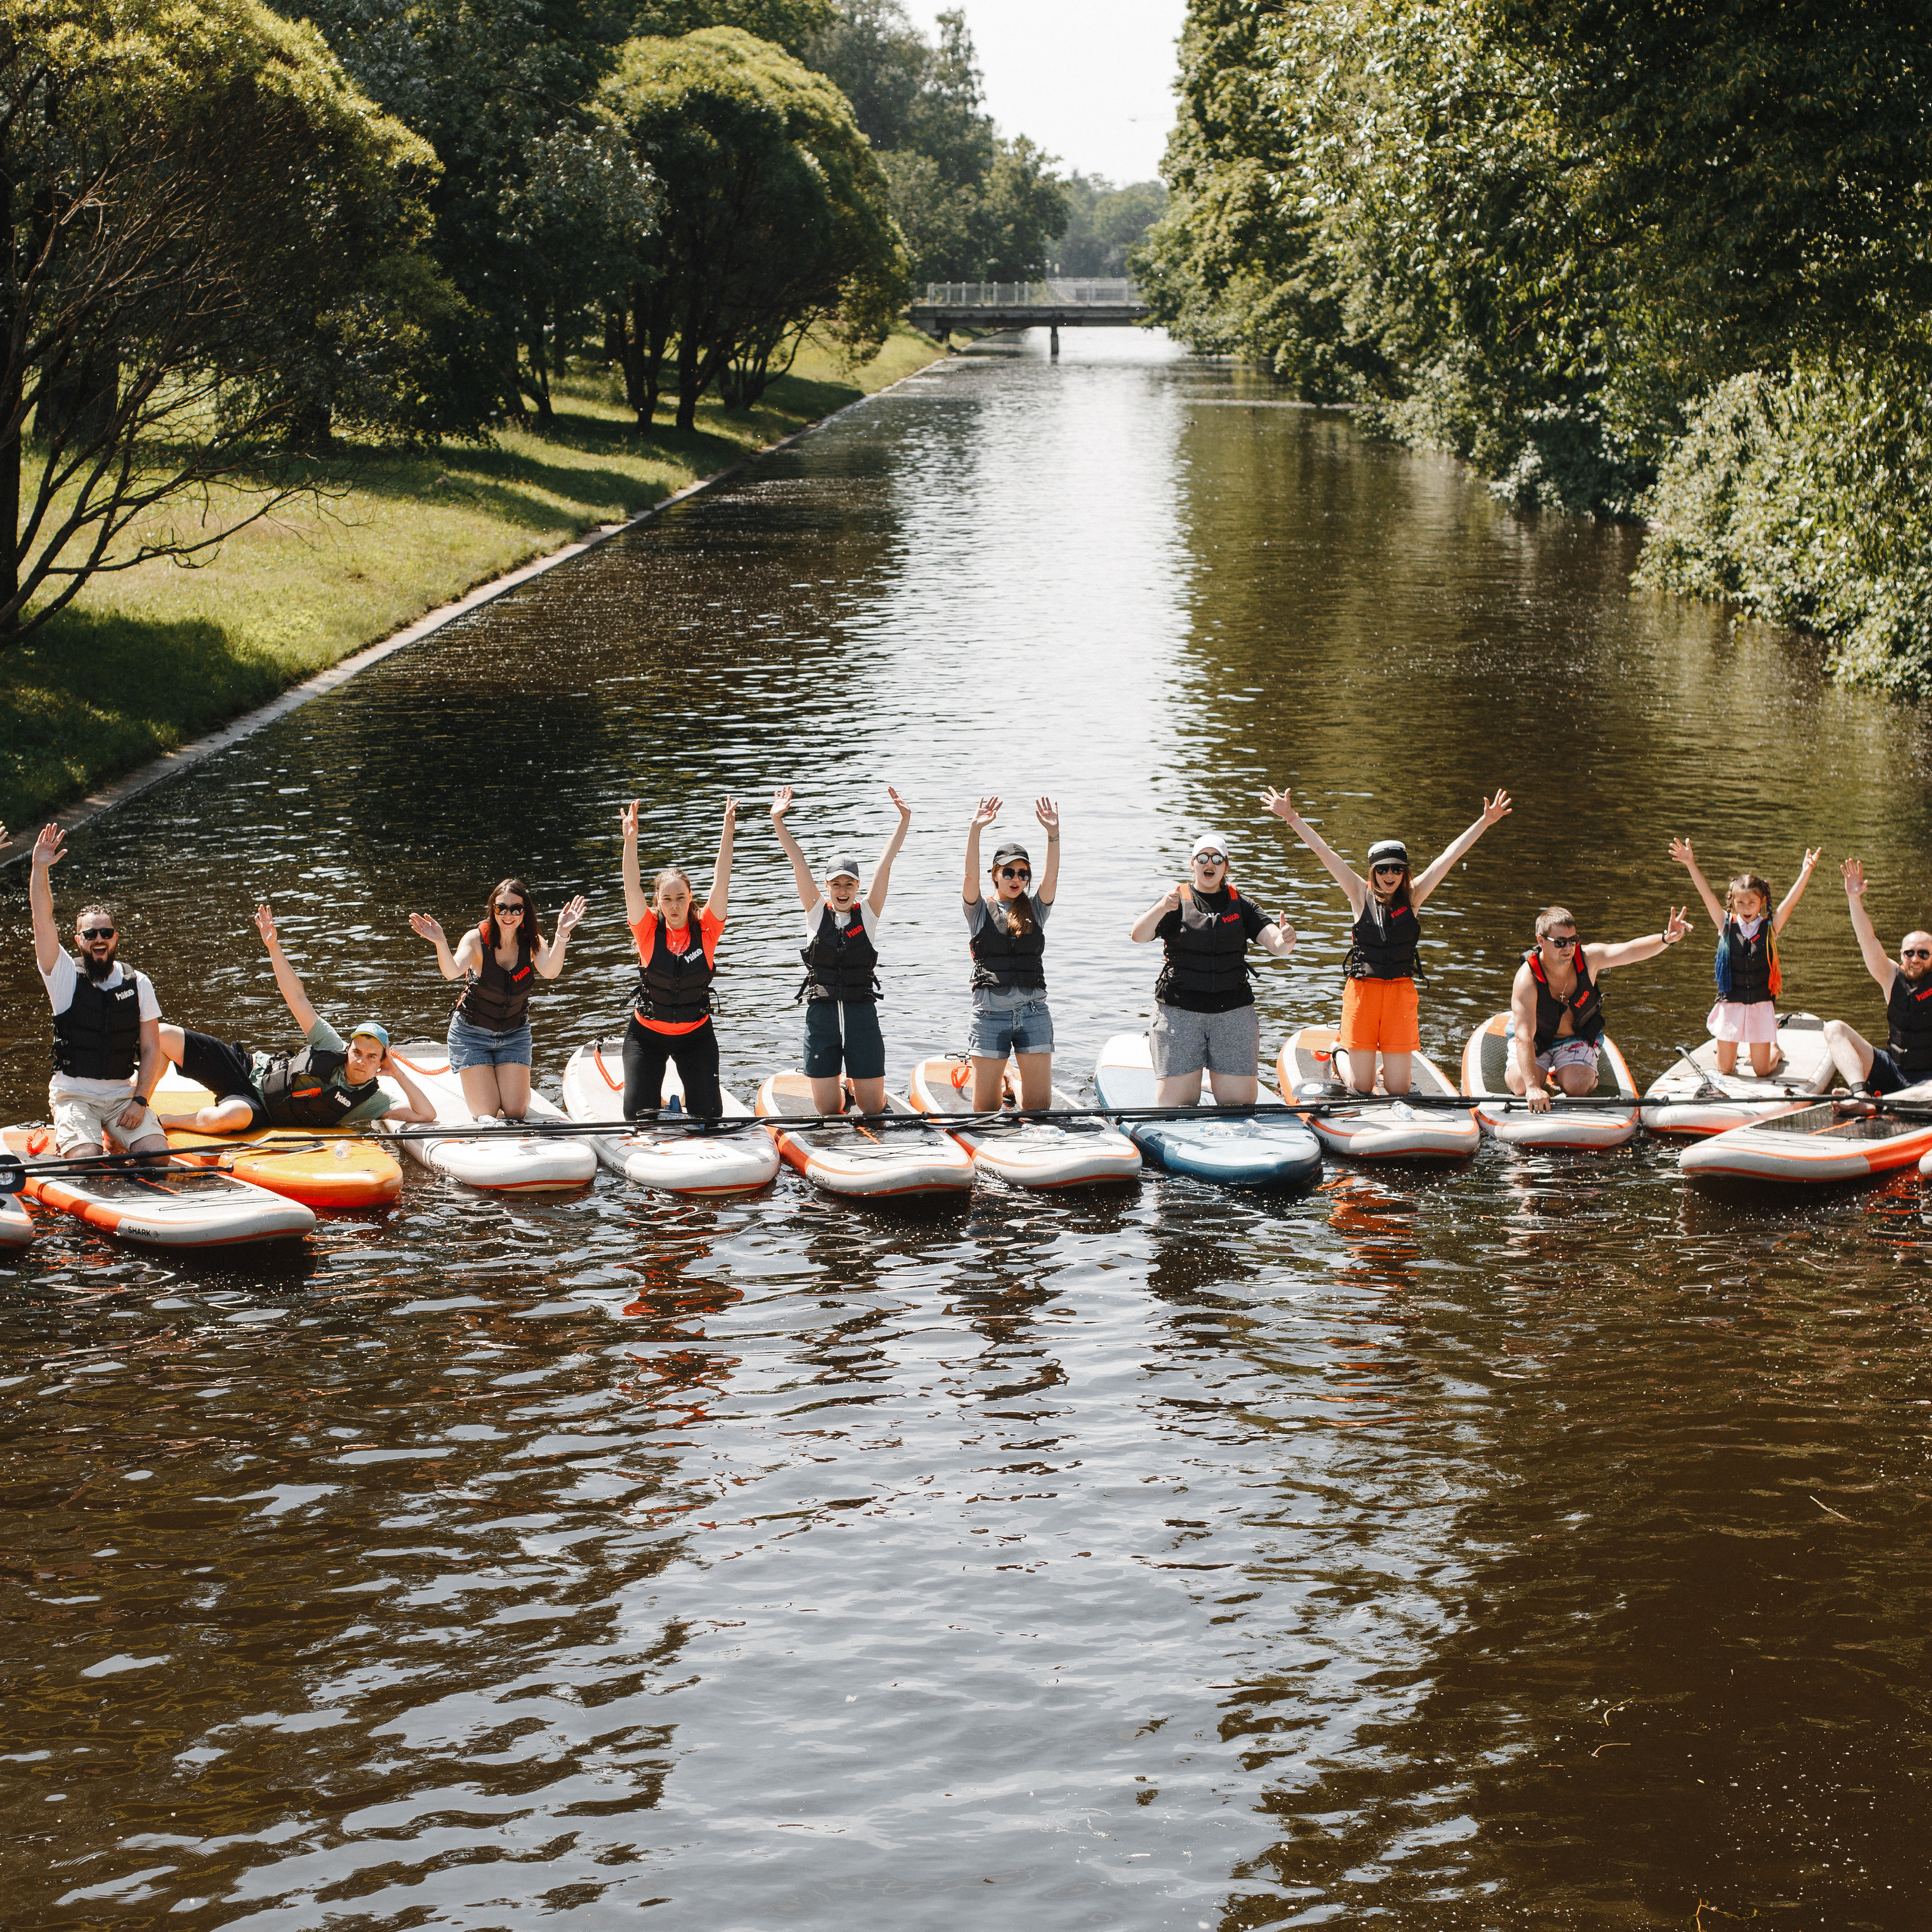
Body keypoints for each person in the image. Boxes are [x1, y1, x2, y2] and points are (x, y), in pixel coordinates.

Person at [1261, 785, 1513, 1094]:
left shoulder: (1415, 896)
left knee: (1399, 1089)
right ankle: (1340, 1051)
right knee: (1362, 1087)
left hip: (1400, 995)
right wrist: (1290, 816)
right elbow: (1323, 851)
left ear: (1404, 872)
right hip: (1363, 994)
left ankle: (1380, 1064)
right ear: (1373, 872)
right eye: (1383, 869)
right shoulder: (1358, 892)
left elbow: (1449, 856)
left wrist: (1485, 822)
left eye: (1397, 868)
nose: (1390, 874)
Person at [152, 903, 437, 1134]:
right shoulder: (329, 1045)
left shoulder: (372, 1101)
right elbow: (297, 999)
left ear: (381, 1062)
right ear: (348, 1049)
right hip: (246, 1067)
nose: (361, 1061)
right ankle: (137, 1107)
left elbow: (426, 1114)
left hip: (256, 1107)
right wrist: (273, 946)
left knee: (228, 1116)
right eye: (357, 1051)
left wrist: (397, 1073)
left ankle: (166, 1121)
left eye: (372, 1057)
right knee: (162, 1034)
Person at [27, 823, 171, 1159]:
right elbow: (42, 920)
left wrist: (140, 1100)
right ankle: (85, 1142)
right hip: (74, 1095)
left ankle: (119, 1137)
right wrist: (39, 868)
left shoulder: (139, 983)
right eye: (90, 935)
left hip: (123, 1096)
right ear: (79, 941)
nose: (99, 939)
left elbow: (151, 1049)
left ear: (116, 937)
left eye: (106, 932)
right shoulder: (62, 974)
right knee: (86, 1160)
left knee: (157, 1156)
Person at [771, 785, 912, 1116]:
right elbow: (797, 861)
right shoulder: (816, 912)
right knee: (828, 1108)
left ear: (857, 888)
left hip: (860, 1014)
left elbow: (885, 865)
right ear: (827, 887)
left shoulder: (869, 914)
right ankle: (840, 1087)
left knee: (873, 1107)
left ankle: (858, 1087)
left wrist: (904, 820)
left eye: (849, 884)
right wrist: (778, 820)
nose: (842, 890)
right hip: (822, 1017)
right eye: (836, 884)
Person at [1129, 832, 1297, 1105]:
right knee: (1176, 1107)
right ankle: (1193, 1079)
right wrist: (1160, 908)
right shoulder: (1173, 901)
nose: (1210, 863)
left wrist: (1286, 939)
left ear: (1225, 866)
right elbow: (1138, 935)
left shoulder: (1241, 904)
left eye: (1217, 859)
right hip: (1180, 1013)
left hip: (1232, 1013)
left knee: (1240, 1106)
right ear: (1193, 863)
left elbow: (1276, 944)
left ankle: (1213, 1078)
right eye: (1203, 857)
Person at [408, 880, 586, 1120]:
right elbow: (452, 971)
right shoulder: (475, 940)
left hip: (514, 1035)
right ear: (493, 909)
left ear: (525, 911)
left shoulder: (533, 942)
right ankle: (481, 1081)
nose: (508, 915)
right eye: (501, 908)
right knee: (487, 1111)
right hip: (471, 1035)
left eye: (516, 909)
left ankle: (500, 1080)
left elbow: (550, 971)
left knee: (515, 1111)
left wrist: (562, 934)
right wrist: (441, 942)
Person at [1506, 903, 1693, 1110]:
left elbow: (1630, 950)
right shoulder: (1527, 978)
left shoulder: (1589, 958)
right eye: (1560, 943)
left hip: (1575, 1037)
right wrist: (1533, 1087)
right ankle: (1542, 1078)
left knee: (1578, 1087)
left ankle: (1566, 1070)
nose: (1568, 948)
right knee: (1521, 1086)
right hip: (1536, 1039)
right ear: (1541, 941)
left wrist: (1666, 938)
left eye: (1573, 941)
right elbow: (1524, 1036)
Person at [620, 796, 735, 1120]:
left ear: (690, 898)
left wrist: (728, 830)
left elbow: (721, 880)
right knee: (638, 1116)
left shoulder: (707, 929)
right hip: (647, 1037)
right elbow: (631, 887)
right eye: (667, 899)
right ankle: (652, 1093)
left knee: (709, 1117)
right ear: (658, 899)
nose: (674, 906)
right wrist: (631, 841)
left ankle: (690, 1094)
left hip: (695, 1037)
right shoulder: (646, 930)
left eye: (680, 898)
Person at [1669, 838, 1822, 1076]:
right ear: (1733, 902)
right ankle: (1734, 1051)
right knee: (1726, 1069)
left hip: (1760, 1004)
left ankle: (1774, 1049)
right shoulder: (1725, 924)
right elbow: (1706, 894)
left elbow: (1790, 902)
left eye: (1752, 901)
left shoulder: (1770, 928)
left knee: (1762, 1071)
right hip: (1732, 1004)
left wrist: (1805, 872)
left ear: (1761, 902)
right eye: (1740, 902)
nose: (1746, 906)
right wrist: (1690, 863)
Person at [961, 795, 1061, 1111]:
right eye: (1008, 872)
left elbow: (1053, 877)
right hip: (990, 1015)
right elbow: (969, 878)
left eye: (1023, 873)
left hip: (1033, 1014)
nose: (1016, 879)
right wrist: (975, 831)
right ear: (995, 874)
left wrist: (1053, 835)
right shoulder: (979, 910)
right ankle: (1006, 1079)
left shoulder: (1035, 909)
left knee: (1038, 1111)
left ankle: (1015, 1081)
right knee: (985, 1112)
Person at [1809, 859, 1932, 1099]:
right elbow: (1868, 940)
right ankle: (1860, 1093)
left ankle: (1878, 1101)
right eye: (1909, 953)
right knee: (1835, 1029)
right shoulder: (1891, 977)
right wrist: (1854, 899)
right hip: (1893, 1071)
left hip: (1928, 1083)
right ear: (1901, 955)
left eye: (1923, 953)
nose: (1915, 959)